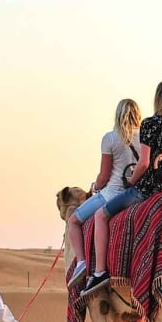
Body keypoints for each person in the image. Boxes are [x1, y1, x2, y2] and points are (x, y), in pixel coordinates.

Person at [81, 79, 162, 297]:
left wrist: (131, 182)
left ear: (158, 97)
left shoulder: (150, 124)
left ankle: (100, 271)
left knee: (101, 215)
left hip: (147, 189)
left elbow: (145, 163)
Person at [65, 99, 143, 289]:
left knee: (73, 221)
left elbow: (104, 175)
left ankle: (83, 263)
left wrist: (95, 187)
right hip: (137, 194)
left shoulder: (110, 138)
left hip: (112, 193)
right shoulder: (145, 138)